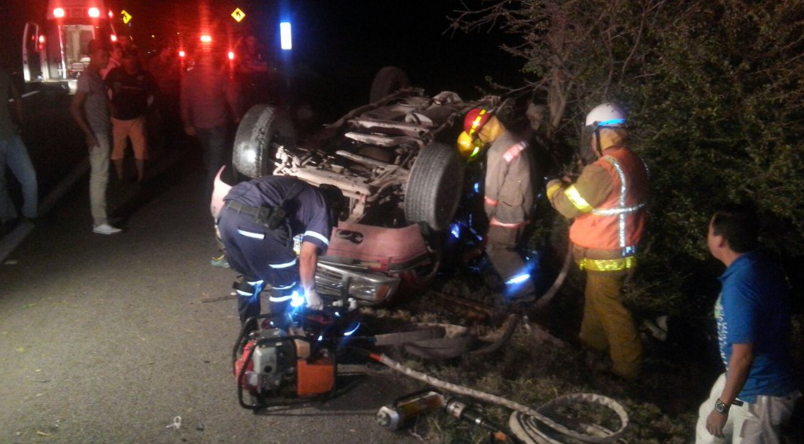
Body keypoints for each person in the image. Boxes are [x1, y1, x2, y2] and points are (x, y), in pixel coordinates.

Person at [545, 103, 648, 379]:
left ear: (604, 133)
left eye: (593, 134)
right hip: (618, 249)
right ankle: (590, 345)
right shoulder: (631, 160)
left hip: (607, 252)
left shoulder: (604, 169)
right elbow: (606, 198)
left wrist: (553, 187)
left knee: (613, 311)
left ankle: (627, 371)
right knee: (596, 301)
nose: (591, 141)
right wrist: (578, 183)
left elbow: (568, 207)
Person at [695, 205, 800, 444]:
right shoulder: (755, 266)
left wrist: (722, 408)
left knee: (719, 420)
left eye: (709, 231)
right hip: (741, 380)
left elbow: (744, 356)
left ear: (720, 240)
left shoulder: (741, 286)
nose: (707, 236)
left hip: (760, 394)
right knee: (707, 428)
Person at [211, 167, 343, 325]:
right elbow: (308, 255)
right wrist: (310, 290)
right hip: (254, 224)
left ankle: (249, 330)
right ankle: (278, 332)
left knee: (253, 274)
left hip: (225, 217)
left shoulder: (298, 189)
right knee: (287, 280)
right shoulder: (323, 205)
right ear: (334, 203)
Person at [457, 107, 536, 301]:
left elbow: (492, 190)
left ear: (482, 130)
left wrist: (489, 214)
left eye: (479, 136)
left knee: (498, 249)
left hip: (509, 210)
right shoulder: (514, 138)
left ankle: (524, 295)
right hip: (524, 202)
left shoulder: (498, 150)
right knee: (505, 245)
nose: (481, 141)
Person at [70, 40, 122, 235]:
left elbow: (99, 99)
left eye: (107, 55)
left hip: (102, 129)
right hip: (97, 132)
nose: (106, 58)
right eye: (103, 55)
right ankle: (99, 222)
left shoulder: (96, 77)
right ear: (92, 54)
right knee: (99, 176)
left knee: (103, 174)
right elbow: (75, 108)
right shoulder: (86, 77)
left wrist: (109, 106)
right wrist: (88, 134)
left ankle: (103, 217)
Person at [181, 49, 238, 199]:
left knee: (208, 153)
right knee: (216, 158)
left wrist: (187, 123)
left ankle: (210, 181)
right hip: (217, 122)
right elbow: (232, 98)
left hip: (199, 124)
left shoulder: (188, 76)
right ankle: (211, 192)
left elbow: (184, 102)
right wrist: (237, 115)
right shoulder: (219, 75)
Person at [105, 49, 158, 183]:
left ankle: (141, 177)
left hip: (137, 118)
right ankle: (120, 177)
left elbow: (155, 92)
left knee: (140, 149)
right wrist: (109, 105)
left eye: (133, 58)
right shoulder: (115, 73)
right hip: (118, 118)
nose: (130, 61)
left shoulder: (145, 76)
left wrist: (148, 109)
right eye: (127, 58)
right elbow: (103, 89)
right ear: (122, 60)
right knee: (118, 149)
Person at [0, 68, 38, 230]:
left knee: (29, 177)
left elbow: (17, 99)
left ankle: (30, 213)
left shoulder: (3, 75)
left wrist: (20, 122)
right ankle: (8, 216)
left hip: (11, 134)